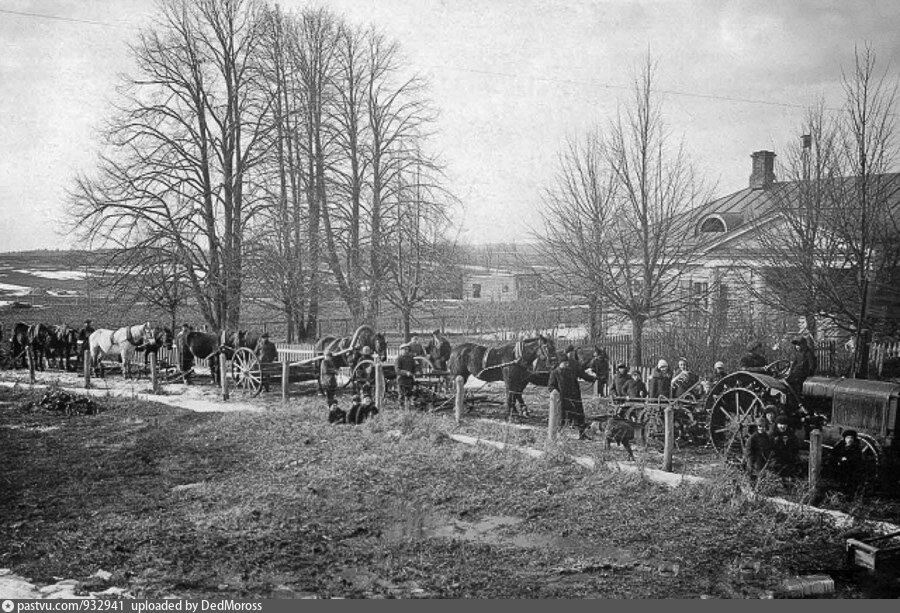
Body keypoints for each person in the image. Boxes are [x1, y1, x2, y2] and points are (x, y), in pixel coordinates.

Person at [547, 352, 596, 440]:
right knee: (563, 417)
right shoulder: (555, 373)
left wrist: (593, 379)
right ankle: (560, 435)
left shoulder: (572, 371)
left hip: (575, 397)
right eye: (565, 363)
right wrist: (555, 393)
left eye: (567, 362)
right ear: (560, 363)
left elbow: (583, 375)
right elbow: (551, 386)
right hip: (563, 399)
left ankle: (582, 434)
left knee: (579, 416)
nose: (567, 364)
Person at [832, 430, 865, 497]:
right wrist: (840, 459)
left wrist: (848, 459)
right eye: (847, 438)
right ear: (844, 439)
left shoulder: (856, 448)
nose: (849, 440)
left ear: (854, 439)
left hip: (852, 469)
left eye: (851, 438)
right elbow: (834, 455)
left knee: (850, 482)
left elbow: (857, 459)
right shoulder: (840, 446)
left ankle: (849, 493)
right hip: (840, 468)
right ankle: (840, 490)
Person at [770, 415, 800, 479]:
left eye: (785, 424)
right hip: (776, 462)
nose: (783, 426)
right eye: (780, 424)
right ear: (777, 424)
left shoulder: (791, 434)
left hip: (789, 461)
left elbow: (796, 448)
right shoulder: (772, 435)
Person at [743, 417, 772, 485]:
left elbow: (769, 447)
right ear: (757, 427)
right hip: (755, 460)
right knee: (753, 478)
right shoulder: (752, 438)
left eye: (763, 426)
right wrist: (751, 463)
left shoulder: (766, 437)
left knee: (763, 478)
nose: (761, 428)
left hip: (764, 459)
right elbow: (748, 452)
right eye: (760, 426)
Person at [395, 343, 418, 410]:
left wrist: (417, 371)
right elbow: (397, 370)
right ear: (401, 350)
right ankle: (401, 408)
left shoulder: (411, 359)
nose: (406, 351)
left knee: (409, 394)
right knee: (401, 395)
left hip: (409, 380)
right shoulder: (399, 359)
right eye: (405, 349)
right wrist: (406, 372)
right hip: (401, 380)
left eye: (407, 349)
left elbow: (414, 367)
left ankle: (408, 408)